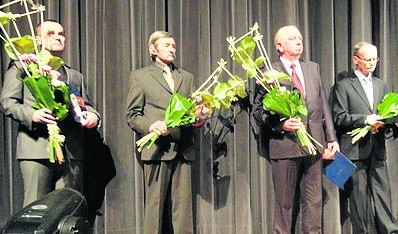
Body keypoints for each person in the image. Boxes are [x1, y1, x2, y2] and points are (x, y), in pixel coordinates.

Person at [0, 20, 100, 208]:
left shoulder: (73, 75)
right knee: (36, 209)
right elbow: (7, 102)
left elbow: (84, 105)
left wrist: (93, 116)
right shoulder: (22, 67)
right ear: (38, 39)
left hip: (71, 152)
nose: (58, 37)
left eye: (61, 34)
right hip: (36, 148)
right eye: (51, 33)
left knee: (65, 210)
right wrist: (32, 115)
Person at [252, 25, 339, 233]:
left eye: (300, 38)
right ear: (279, 45)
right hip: (285, 145)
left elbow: (322, 104)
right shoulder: (267, 71)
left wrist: (331, 138)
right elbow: (257, 111)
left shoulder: (312, 67)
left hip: (314, 144)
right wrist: (280, 125)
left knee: (314, 200)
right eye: (292, 38)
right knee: (285, 203)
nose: (299, 41)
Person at [125, 31, 195, 234]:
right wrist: (150, 126)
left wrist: (199, 116)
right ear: (153, 50)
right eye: (166, 45)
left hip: (183, 148)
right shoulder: (140, 76)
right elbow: (132, 115)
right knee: (155, 208)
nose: (172, 48)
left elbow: (191, 112)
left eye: (173, 45)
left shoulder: (186, 77)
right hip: (157, 149)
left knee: (183, 210)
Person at [332, 41, 398, 233]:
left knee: (383, 196)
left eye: (374, 59)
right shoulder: (343, 86)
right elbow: (339, 117)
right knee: (359, 201)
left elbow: (386, 116)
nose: (371, 63)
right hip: (354, 151)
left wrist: (390, 123)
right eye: (367, 59)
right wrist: (365, 120)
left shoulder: (381, 85)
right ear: (355, 60)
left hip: (377, 149)